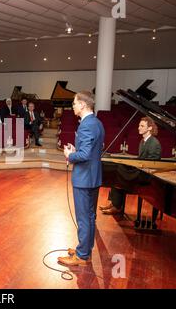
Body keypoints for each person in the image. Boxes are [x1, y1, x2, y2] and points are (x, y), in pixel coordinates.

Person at [60, 91, 105, 266]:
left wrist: (69, 155)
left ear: (83, 105)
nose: (73, 106)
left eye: (74, 103)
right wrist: (75, 149)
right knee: (90, 216)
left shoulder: (86, 125)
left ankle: (81, 255)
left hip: (84, 179)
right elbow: (93, 149)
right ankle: (85, 248)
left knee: (83, 218)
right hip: (93, 177)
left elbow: (85, 154)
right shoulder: (97, 123)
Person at [99, 117, 162, 215]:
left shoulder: (154, 143)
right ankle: (114, 203)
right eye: (139, 125)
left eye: (142, 126)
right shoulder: (143, 141)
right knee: (117, 174)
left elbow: (153, 164)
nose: (139, 128)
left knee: (119, 172)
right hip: (141, 170)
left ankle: (117, 205)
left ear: (149, 128)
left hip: (147, 176)